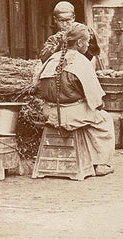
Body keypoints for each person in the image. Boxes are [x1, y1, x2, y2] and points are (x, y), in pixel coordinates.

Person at [36, 23, 114, 177]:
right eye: (86, 42)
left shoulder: (52, 58)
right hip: (69, 115)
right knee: (104, 119)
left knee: (84, 113)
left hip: (48, 113)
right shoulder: (81, 61)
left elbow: (37, 87)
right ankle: (99, 163)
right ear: (79, 43)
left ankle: (86, 157)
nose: (87, 45)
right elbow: (97, 102)